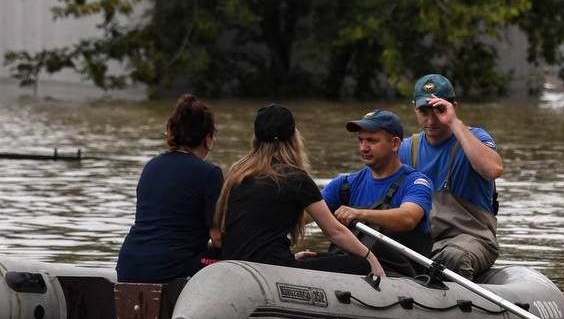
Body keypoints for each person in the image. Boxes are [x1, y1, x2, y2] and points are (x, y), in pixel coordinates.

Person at [215, 104, 385, 278]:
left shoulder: (237, 174)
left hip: (235, 265)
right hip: (272, 269)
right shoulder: (295, 178)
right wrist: (370, 257)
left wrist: (291, 258)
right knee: (359, 264)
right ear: (294, 138)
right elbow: (335, 232)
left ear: (256, 138)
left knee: (321, 256)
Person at [304, 109, 434, 277]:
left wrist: (360, 213)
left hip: (399, 275)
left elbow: (408, 218)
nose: (363, 148)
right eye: (360, 140)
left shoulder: (416, 182)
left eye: (372, 141)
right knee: (307, 261)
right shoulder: (344, 185)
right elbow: (304, 217)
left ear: (395, 144)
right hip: (350, 267)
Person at [401, 73, 503, 280]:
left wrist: (454, 123)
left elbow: (493, 169)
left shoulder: (475, 138)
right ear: (414, 108)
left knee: (453, 258)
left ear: (453, 106)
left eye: (439, 110)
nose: (431, 120)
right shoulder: (406, 148)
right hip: (423, 243)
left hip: (472, 239)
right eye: (423, 111)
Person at [117, 94, 224, 283]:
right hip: (172, 268)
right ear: (208, 138)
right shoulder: (210, 174)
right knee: (232, 261)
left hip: (128, 263)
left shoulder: (151, 166)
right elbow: (218, 238)